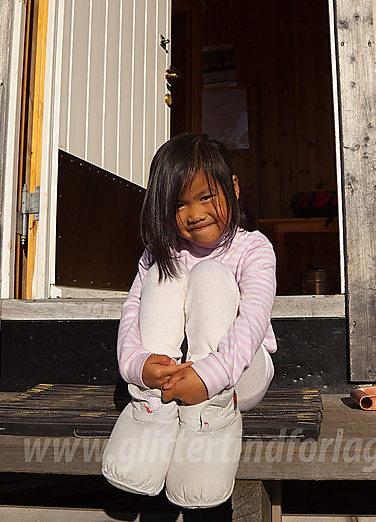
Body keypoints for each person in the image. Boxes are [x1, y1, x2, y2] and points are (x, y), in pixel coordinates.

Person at [101, 133, 277, 508]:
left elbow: (254, 320)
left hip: (238, 375)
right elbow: (132, 310)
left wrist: (209, 375)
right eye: (179, 204)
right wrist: (137, 364)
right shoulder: (159, 252)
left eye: (206, 197)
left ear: (233, 187)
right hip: (171, 381)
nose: (194, 214)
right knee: (163, 275)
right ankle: (150, 409)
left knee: (210, 275)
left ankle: (208, 421)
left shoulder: (253, 248)